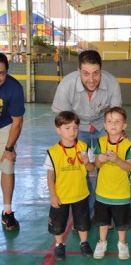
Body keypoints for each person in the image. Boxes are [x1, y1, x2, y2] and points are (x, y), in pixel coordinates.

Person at [52, 50, 122, 218]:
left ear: (101, 70)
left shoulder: (112, 83)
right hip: (77, 126)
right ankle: (89, 211)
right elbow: (63, 119)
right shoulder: (66, 85)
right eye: (86, 74)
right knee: (80, 170)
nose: (91, 79)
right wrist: (71, 140)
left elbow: (115, 116)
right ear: (78, 71)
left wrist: (118, 134)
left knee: (106, 168)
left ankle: (103, 212)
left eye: (95, 73)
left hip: (102, 125)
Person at [44, 111, 94, 260]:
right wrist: (53, 195)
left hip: (80, 193)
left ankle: (84, 243)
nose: (72, 131)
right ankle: (59, 245)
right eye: (67, 128)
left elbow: (92, 169)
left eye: (75, 128)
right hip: (61, 195)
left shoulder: (84, 147)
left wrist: (87, 163)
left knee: (83, 222)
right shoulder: (53, 152)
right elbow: (50, 175)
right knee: (58, 224)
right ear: (58, 130)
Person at [93, 107, 131, 260]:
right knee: (103, 221)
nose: (113, 125)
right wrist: (100, 159)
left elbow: (129, 167)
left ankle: (122, 243)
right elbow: (96, 165)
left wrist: (117, 160)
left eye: (117, 121)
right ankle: (101, 242)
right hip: (103, 192)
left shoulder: (128, 145)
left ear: (124, 126)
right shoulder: (100, 142)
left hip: (121, 193)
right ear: (104, 125)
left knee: (121, 223)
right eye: (109, 121)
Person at [0, 53, 25, 231]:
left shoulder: (14, 88)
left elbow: (17, 122)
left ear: (7, 72)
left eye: (1, 73)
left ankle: (7, 212)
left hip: (5, 126)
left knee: (8, 165)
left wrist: (9, 148)